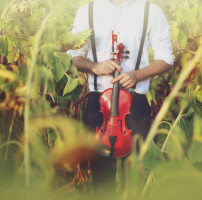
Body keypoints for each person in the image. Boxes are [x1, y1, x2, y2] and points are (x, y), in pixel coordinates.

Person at [67, 0, 173, 191]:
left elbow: (166, 59)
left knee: (136, 177)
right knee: (101, 178)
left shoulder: (151, 11)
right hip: (98, 104)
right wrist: (94, 66)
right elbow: (74, 57)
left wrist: (136, 75)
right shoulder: (87, 11)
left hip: (135, 105)